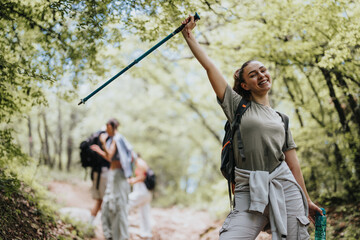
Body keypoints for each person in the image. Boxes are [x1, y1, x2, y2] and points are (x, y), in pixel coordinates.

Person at [181, 15, 323, 239]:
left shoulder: (282, 119)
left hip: (285, 187)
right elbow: (209, 67)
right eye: (253, 74)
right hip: (248, 190)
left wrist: (307, 199)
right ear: (245, 84)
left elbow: (293, 165)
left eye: (263, 70)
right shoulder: (237, 106)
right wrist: (189, 36)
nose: (261, 76)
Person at [90, 118, 135, 240]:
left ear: (111, 126)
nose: (106, 130)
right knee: (106, 207)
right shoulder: (114, 140)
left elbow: (110, 155)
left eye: (107, 127)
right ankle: (109, 235)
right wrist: (99, 150)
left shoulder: (117, 139)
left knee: (118, 208)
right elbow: (111, 158)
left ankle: (122, 236)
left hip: (118, 176)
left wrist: (103, 143)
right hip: (112, 175)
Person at [128, 153, 153, 239]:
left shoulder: (139, 162)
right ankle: (146, 233)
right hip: (146, 192)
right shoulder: (142, 163)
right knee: (144, 213)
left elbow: (142, 177)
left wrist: (132, 181)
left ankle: (123, 227)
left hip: (142, 191)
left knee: (126, 203)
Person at [89, 131, 110, 225]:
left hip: (97, 173)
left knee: (100, 201)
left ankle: (90, 224)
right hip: (102, 173)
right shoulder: (105, 139)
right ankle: (91, 225)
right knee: (102, 201)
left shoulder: (97, 136)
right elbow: (109, 157)